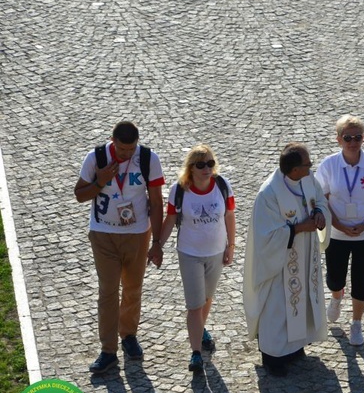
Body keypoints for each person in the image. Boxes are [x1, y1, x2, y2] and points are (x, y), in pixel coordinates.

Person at [74, 121, 165, 373]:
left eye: (131, 149)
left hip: (137, 234)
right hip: (103, 234)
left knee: (133, 288)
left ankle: (129, 335)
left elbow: (156, 202)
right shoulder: (96, 158)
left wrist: (157, 242)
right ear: (112, 141)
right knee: (108, 291)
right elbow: (80, 195)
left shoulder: (147, 158)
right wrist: (100, 181)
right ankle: (108, 350)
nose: (127, 154)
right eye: (122, 149)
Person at [243, 143, 331, 377]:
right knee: (279, 305)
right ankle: (272, 357)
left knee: (301, 299)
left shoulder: (308, 179)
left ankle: (293, 348)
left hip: (305, 255)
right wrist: (301, 227)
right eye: (307, 164)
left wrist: (320, 213)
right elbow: (267, 235)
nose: (311, 167)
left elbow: (320, 199)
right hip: (280, 261)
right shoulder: (268, 195)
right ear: (293, 170)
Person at [158, 145, 236, 373]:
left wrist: (231, 246)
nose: (206, 169)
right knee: (194, 305)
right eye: (201, 165)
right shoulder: (179, 189)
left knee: (207, 298)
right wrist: (157, 246)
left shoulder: (222, 185)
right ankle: (195, 353)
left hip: (215, 252)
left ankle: (200, 330)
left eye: (210, 163)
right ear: (190, 168)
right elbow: (171, 219)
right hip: (190, 253)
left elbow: (230, 216)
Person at [315, 115, 364, 346]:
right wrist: (338, 224)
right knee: (335, 278)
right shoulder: (328, 165)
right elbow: (321, 199)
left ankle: (357, 323)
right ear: (338, 139)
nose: (353, 142)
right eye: (348, 137)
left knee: (361, 276)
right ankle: (337, 297)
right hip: (337, 232)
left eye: (357, 137)